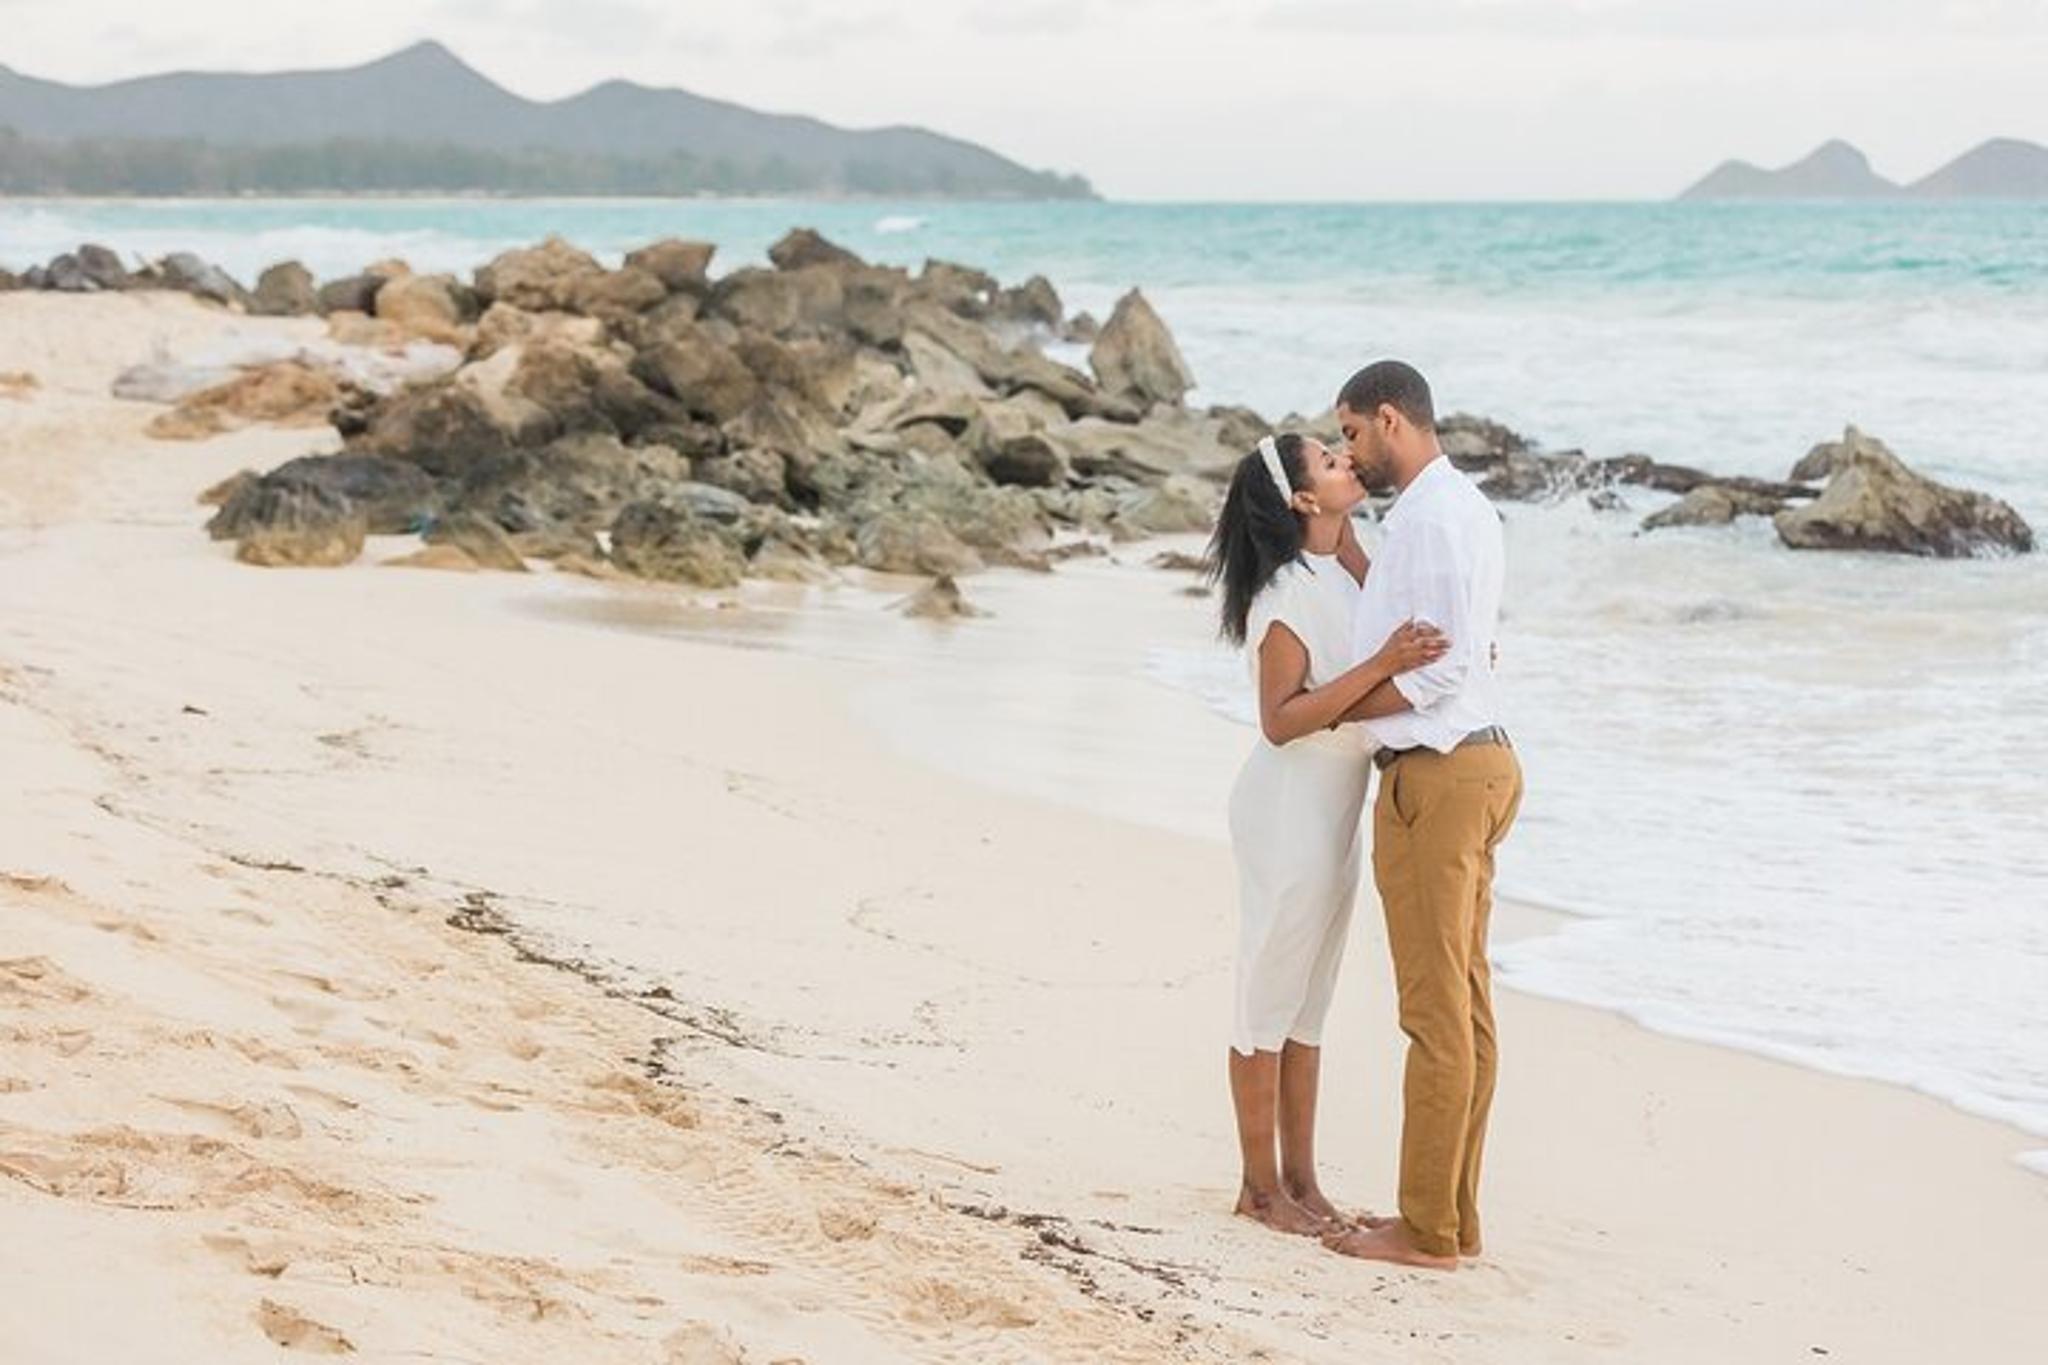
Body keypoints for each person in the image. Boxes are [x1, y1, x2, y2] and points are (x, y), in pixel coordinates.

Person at [1204, 430, 1451, 1236]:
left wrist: (1440, 671)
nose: (1349, 462)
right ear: (1303, 499)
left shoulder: (1349, 563)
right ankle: (1258, 1188)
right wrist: (1386, 664)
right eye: (1331, 461)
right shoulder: (1283, 593)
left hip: (1338, 801)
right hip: (1289, 805)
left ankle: (1302, 1184)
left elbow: (1388, 673)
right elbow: (1280, 720)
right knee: (1266, 999)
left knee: (1309, 1007)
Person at [1320, 360, 1523, 1271]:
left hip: (1438, 775)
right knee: (1466, 1009)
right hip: (1475, 761)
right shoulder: (1456, 510)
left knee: (1436, 1014)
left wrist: (1333, 704)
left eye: (1354, 434)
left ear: (1391, 420)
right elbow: (1440, 632)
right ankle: (1453, 1218)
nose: (1351, 453)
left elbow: (1438, 667)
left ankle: (1428, 1230)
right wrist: (1344, 546)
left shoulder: (1433, 517)